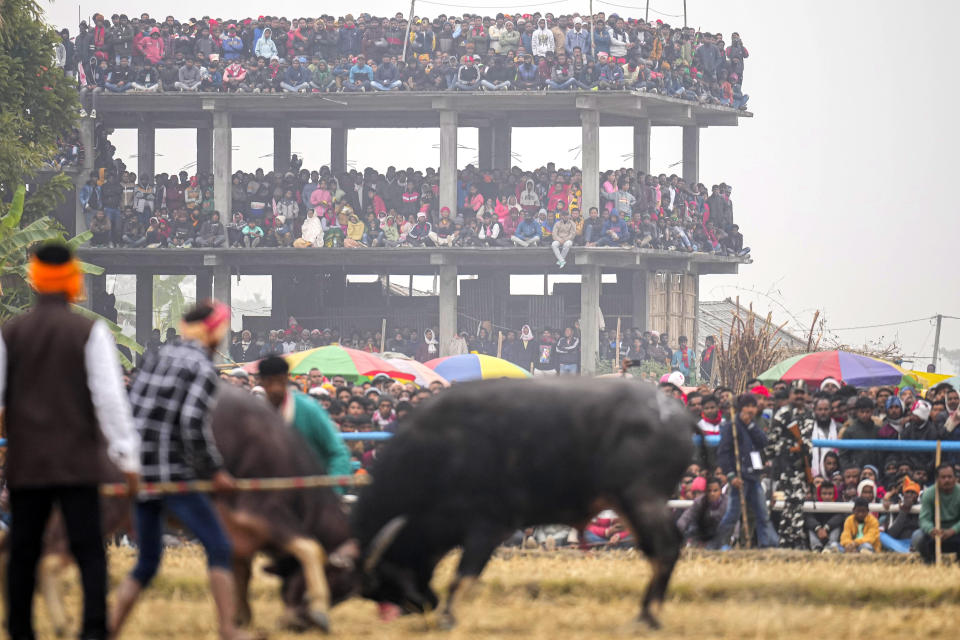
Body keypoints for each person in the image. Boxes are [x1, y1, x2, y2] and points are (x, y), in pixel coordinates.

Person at [1, 244, 140, 640]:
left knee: (24, 549)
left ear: (34, 280)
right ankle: (94, 630)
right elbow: (110, 403)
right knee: (88, 549)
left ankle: (20, 630)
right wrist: (128, 461)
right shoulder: (89, 332)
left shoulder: (11, 333)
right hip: (78, 463)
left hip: (28, 465)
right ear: (74, 280)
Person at [111, 300, 254, 640]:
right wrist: (216, 471)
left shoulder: (157, 356)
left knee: (146, 563)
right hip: (173, 475)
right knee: (219, 546)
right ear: (215, 331)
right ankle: (228, 628)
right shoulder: (203, 368)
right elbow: (192, 423)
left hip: (141, 472)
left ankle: (108, 629)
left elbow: (132, 408)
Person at [257, 357, 352, 485]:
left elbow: (338, 452)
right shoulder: (255, 413)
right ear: (261, 382)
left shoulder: (309, 410)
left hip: (311, 488)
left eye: (279, 381)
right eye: (270, 382)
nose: (275, 388)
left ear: (286, 379)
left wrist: (334, 489)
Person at [712, 394, 778, 549]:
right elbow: (723, 453)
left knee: (762, 513)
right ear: (741, 408)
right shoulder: (731, 427)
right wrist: (730, 475)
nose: (750, 409)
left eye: (753, 406)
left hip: (754, 477)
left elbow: (763, 442)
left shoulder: (754, 425)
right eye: (747, 406)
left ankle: (767, 545)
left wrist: (751, 426)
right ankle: (716, 545)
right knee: (732, 515)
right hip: (739, 478)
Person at [767, 381, 814, 549]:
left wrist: (804, 450)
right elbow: (772, 443)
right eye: (796, 392)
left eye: (802, 392)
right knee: (794, 501)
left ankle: (788, 541)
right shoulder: (783, 414)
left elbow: (807, 439)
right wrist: (790, 449)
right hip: (785, 465)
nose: (800, 396)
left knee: (795, 504)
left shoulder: (809, 414)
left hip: (802, 465)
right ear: (790, 395)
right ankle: (791, 540)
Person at [917, 464, 960, 564]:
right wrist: (931, 530)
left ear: (955, 478)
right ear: (937, 479)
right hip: (936, 534)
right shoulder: (929, 494)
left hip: (956, 533)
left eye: (950, 477)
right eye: (943, 477)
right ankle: (929, 562)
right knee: (917, 537)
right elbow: (924, 519)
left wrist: (952, 531)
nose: (947, 480)